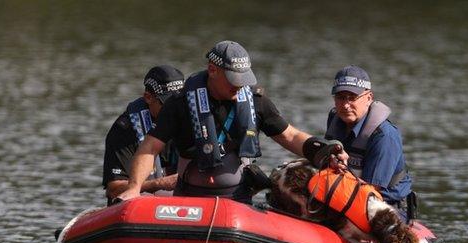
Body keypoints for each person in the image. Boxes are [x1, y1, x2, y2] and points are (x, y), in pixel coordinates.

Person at [115, 40, 346, 203]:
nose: (239, 86)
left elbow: (290, 136)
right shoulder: (180, 103)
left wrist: (322, 151)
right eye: (233, 79)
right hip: (190, 196)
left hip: (238, 196)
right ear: (213, 70)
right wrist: (134, 188)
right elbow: (149, 147)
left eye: (244, 79)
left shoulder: (255, 101)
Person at [324, 65, 416, 222]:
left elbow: (370, 194)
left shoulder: (384, 136)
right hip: (347, 195)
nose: (345, 105)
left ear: (368, 98)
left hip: (387, 207)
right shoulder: (335, 119)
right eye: (340, 97)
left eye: (352, 97)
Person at [103, 65, 185, 205]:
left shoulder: (190, 121)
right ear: (148, 97)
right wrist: (159, 183)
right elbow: (113, 189)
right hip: (140, 206)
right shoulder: (124, 130)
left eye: (178, 103)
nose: (174, 110)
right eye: (168, 105)